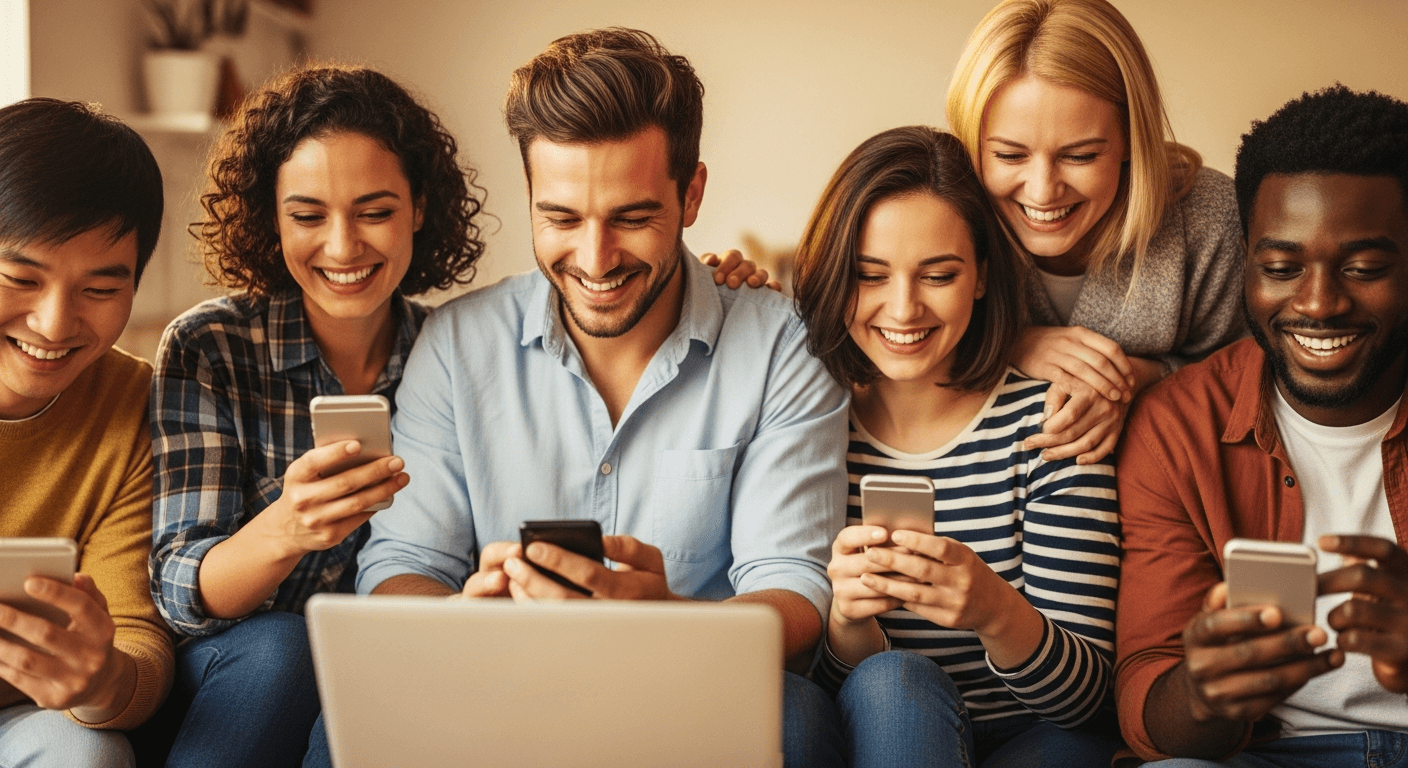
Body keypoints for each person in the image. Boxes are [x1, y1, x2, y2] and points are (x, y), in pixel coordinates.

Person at [355, 27, 849, 767]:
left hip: (698, 695)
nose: (594, 260)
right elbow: (402, 563)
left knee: (799, 717)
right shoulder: (457, 347)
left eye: (632, 216)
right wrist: (462, 620)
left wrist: (674, 625)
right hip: (497, 691)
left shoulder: (781, 342)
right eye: (560, 218)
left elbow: (796, 588)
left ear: (693, 195)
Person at [144, 65, 487, 768]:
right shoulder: (211, 345)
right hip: (242, 668)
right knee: (283, 647)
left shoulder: (454, 351)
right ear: (272, 217)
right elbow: (180, 586)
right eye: (307, 216)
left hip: (393, 663)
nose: (341, 247)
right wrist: (286, 529)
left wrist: (723, 283)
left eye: (375, 211)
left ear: (419, 207)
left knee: (383, 683)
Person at [792, 125, 1122, 767]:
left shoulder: (1051, 423)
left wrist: (996, 610)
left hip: (1032, 740)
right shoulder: (810, 426)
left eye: (937, 275)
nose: (904, 309)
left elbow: (1088, 702)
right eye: (870, 276)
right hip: (890, 734)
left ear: (980, 277)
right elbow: (822, 695)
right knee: (892, 685)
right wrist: (851, 627)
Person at [1114, 85, 1408, 766]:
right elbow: (1147, 695)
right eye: (1280, 267)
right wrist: (1203, 693)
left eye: (1364, 268)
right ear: (1246, 261)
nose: (1318, 303)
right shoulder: (1178, 427)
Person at [946, 0, 1246, 464]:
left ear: (1131, 136)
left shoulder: (1210, 219)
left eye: (1080, 156)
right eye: (1009, 156)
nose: (1043, 192)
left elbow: (1252, 377)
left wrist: (1135, 378)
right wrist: (1011, 341)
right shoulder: (944, 215)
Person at [0, 98, 174, 767]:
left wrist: (100, 680)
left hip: (20, 719)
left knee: (88, 753)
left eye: (100, 289)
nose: (53, 323)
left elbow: (135, 640)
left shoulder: (132, 405)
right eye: (20, 278)